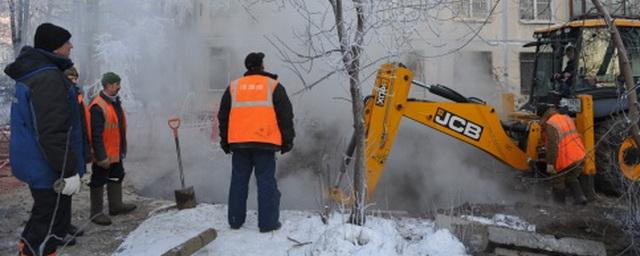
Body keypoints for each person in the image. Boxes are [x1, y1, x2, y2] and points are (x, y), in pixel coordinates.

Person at [4, 23, 85, 256]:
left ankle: (29, 250)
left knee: (45, 219)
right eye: (66, 42)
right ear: (55, 47)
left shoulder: (37, 74)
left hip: (37, 161)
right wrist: (67, 170)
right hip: (47, 166)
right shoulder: (48, 78)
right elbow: (51, 132)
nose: (71, 46)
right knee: (48, 226)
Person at [217, 52, 295, 233]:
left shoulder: (233, 87)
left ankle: (235, 221)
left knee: (238, 182)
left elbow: (223, 117)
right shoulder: (273, 86)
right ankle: (267, 224)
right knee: (266, 182)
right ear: (261, 66)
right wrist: (287, 141)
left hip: (239, 144)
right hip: (265, 143)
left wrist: (224, 142)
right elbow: (286, 116)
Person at [88, 72, 136, 226]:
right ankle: (96, 213)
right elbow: (96, 135)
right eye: (116, 84)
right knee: (98, 181)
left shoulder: (114, 102)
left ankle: (115, 206)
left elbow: (118, 128)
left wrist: (122, 149)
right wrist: (101, 156)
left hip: (115, 152)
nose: (119, 87)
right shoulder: (98, 105)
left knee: (116, 176)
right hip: (104, 154)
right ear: (108, 85)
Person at [538, 105, 588, 205]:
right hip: (579, 155)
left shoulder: (551, 124)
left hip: (566, 158)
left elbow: (552, 145)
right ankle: (581, 199)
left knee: (558, 180)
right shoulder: (566, 118)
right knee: (572, 177)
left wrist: (550, 164)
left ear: (543, 116)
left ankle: (559, 205)